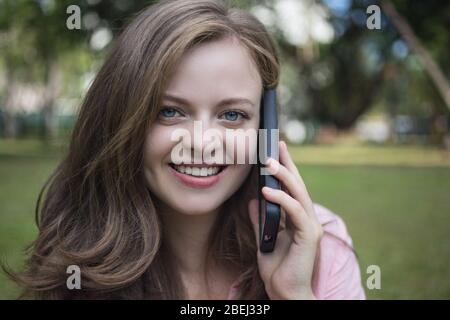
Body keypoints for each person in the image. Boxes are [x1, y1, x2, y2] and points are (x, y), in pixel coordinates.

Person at [7, 0, 365, 299]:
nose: (201, 142)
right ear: (121, 119)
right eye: (170, 112)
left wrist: (294, 295)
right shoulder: (79, 263)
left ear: (265, 129)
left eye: (232, 114)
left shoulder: (321, 245)